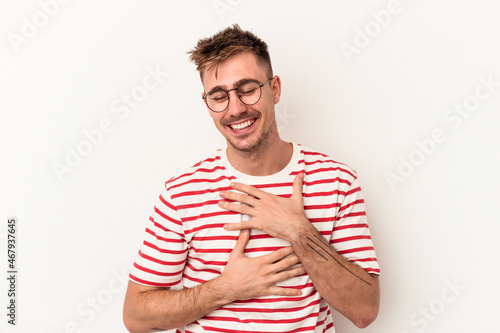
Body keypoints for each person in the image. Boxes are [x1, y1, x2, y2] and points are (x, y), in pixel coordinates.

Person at [123, 24, 380, 333]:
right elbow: (136, 317)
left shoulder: (337, 181)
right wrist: (225, 288)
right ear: (208, 105)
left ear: (274, 89)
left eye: (247, 89)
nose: (236, 108)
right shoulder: (182, 193)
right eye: (219, 96)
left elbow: (364, 310)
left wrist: (299, 232)